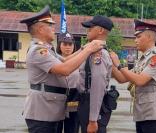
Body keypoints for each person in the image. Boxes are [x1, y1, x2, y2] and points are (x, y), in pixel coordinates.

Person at [20, 5, 105, 133]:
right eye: (50, 25)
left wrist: (84, 48)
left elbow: (65, 60)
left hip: (50, 111)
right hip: (42, 113)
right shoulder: (38, 50)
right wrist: (88, 50)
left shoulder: (47, 49)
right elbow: (64, 69)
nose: (54, 29)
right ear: (41, 29)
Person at [110, 19, 156, 133]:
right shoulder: (141, 60)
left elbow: (140, 80)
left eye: (139, 37)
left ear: (149, 38)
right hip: (142, 114)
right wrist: (110, 63)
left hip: (154, 117)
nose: (135, 40)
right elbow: (122, 78)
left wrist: (118, 65)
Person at [78, 15, 113, 133]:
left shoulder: (99, 54)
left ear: (101, 30)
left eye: (90, 28)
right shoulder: (90, 51)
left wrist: (93, 120)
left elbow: (97, 87)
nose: (87, 30)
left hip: (91, 106)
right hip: (86, 103)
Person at [56, 32, 80, 133]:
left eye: (70, 44)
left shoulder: (79, 60)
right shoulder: (54, 59)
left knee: (72, 128)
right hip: (57, 98)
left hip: (74, 98)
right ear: (59, 45)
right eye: (64, 44)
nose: (68, 47)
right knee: (56, 128)